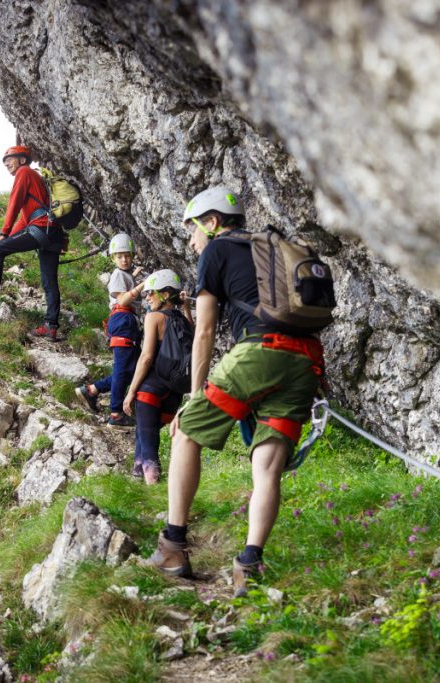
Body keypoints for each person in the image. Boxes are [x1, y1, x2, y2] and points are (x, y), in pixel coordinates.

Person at [146, 186, 325, 598]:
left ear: (212, 222)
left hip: (260, 353)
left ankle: (173, 546)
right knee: (268, 465)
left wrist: (192, 395)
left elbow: (205, 330)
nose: (192, 240)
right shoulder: (276, 250)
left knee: (186, 430)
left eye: (193, 229)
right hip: (306, 362)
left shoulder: (216, 251)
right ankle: (250, 563)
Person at [0, 145, 64, 340]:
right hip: (53, 232)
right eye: (5, 161)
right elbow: (24, 218)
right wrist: (8, 236)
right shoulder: (32, 177)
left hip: (40, 228)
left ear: (22, 160)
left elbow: (14, 203)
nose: (6, 163)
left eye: (10, 159)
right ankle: (51, 326)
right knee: (49, 281)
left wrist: (3, 234)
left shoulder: (24, 172)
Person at [123, 269, 192, 484]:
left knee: (149, 444)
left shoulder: (154, 317)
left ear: (164, 294)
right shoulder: (183, 320)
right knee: (143, 436)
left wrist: (131, 390)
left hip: (150, 391)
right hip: (174, 394)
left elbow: (146, 357)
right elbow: (196, 337)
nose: (147, 297)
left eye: (150, 293)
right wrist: (187, 308)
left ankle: (152, 490)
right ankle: (137, 481)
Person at [75, 234, 143, 426]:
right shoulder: (117, 274)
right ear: (113, 258)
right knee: (123, 370)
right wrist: (143, 285)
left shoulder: (125, 274)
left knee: (130, 371)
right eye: (120, 256)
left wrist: (135, 275)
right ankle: (116, 414)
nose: (124, 259)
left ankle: (92, 390)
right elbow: (122, 299)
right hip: (123, 319)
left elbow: (125, 282)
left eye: (127, 255)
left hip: (126, 321)